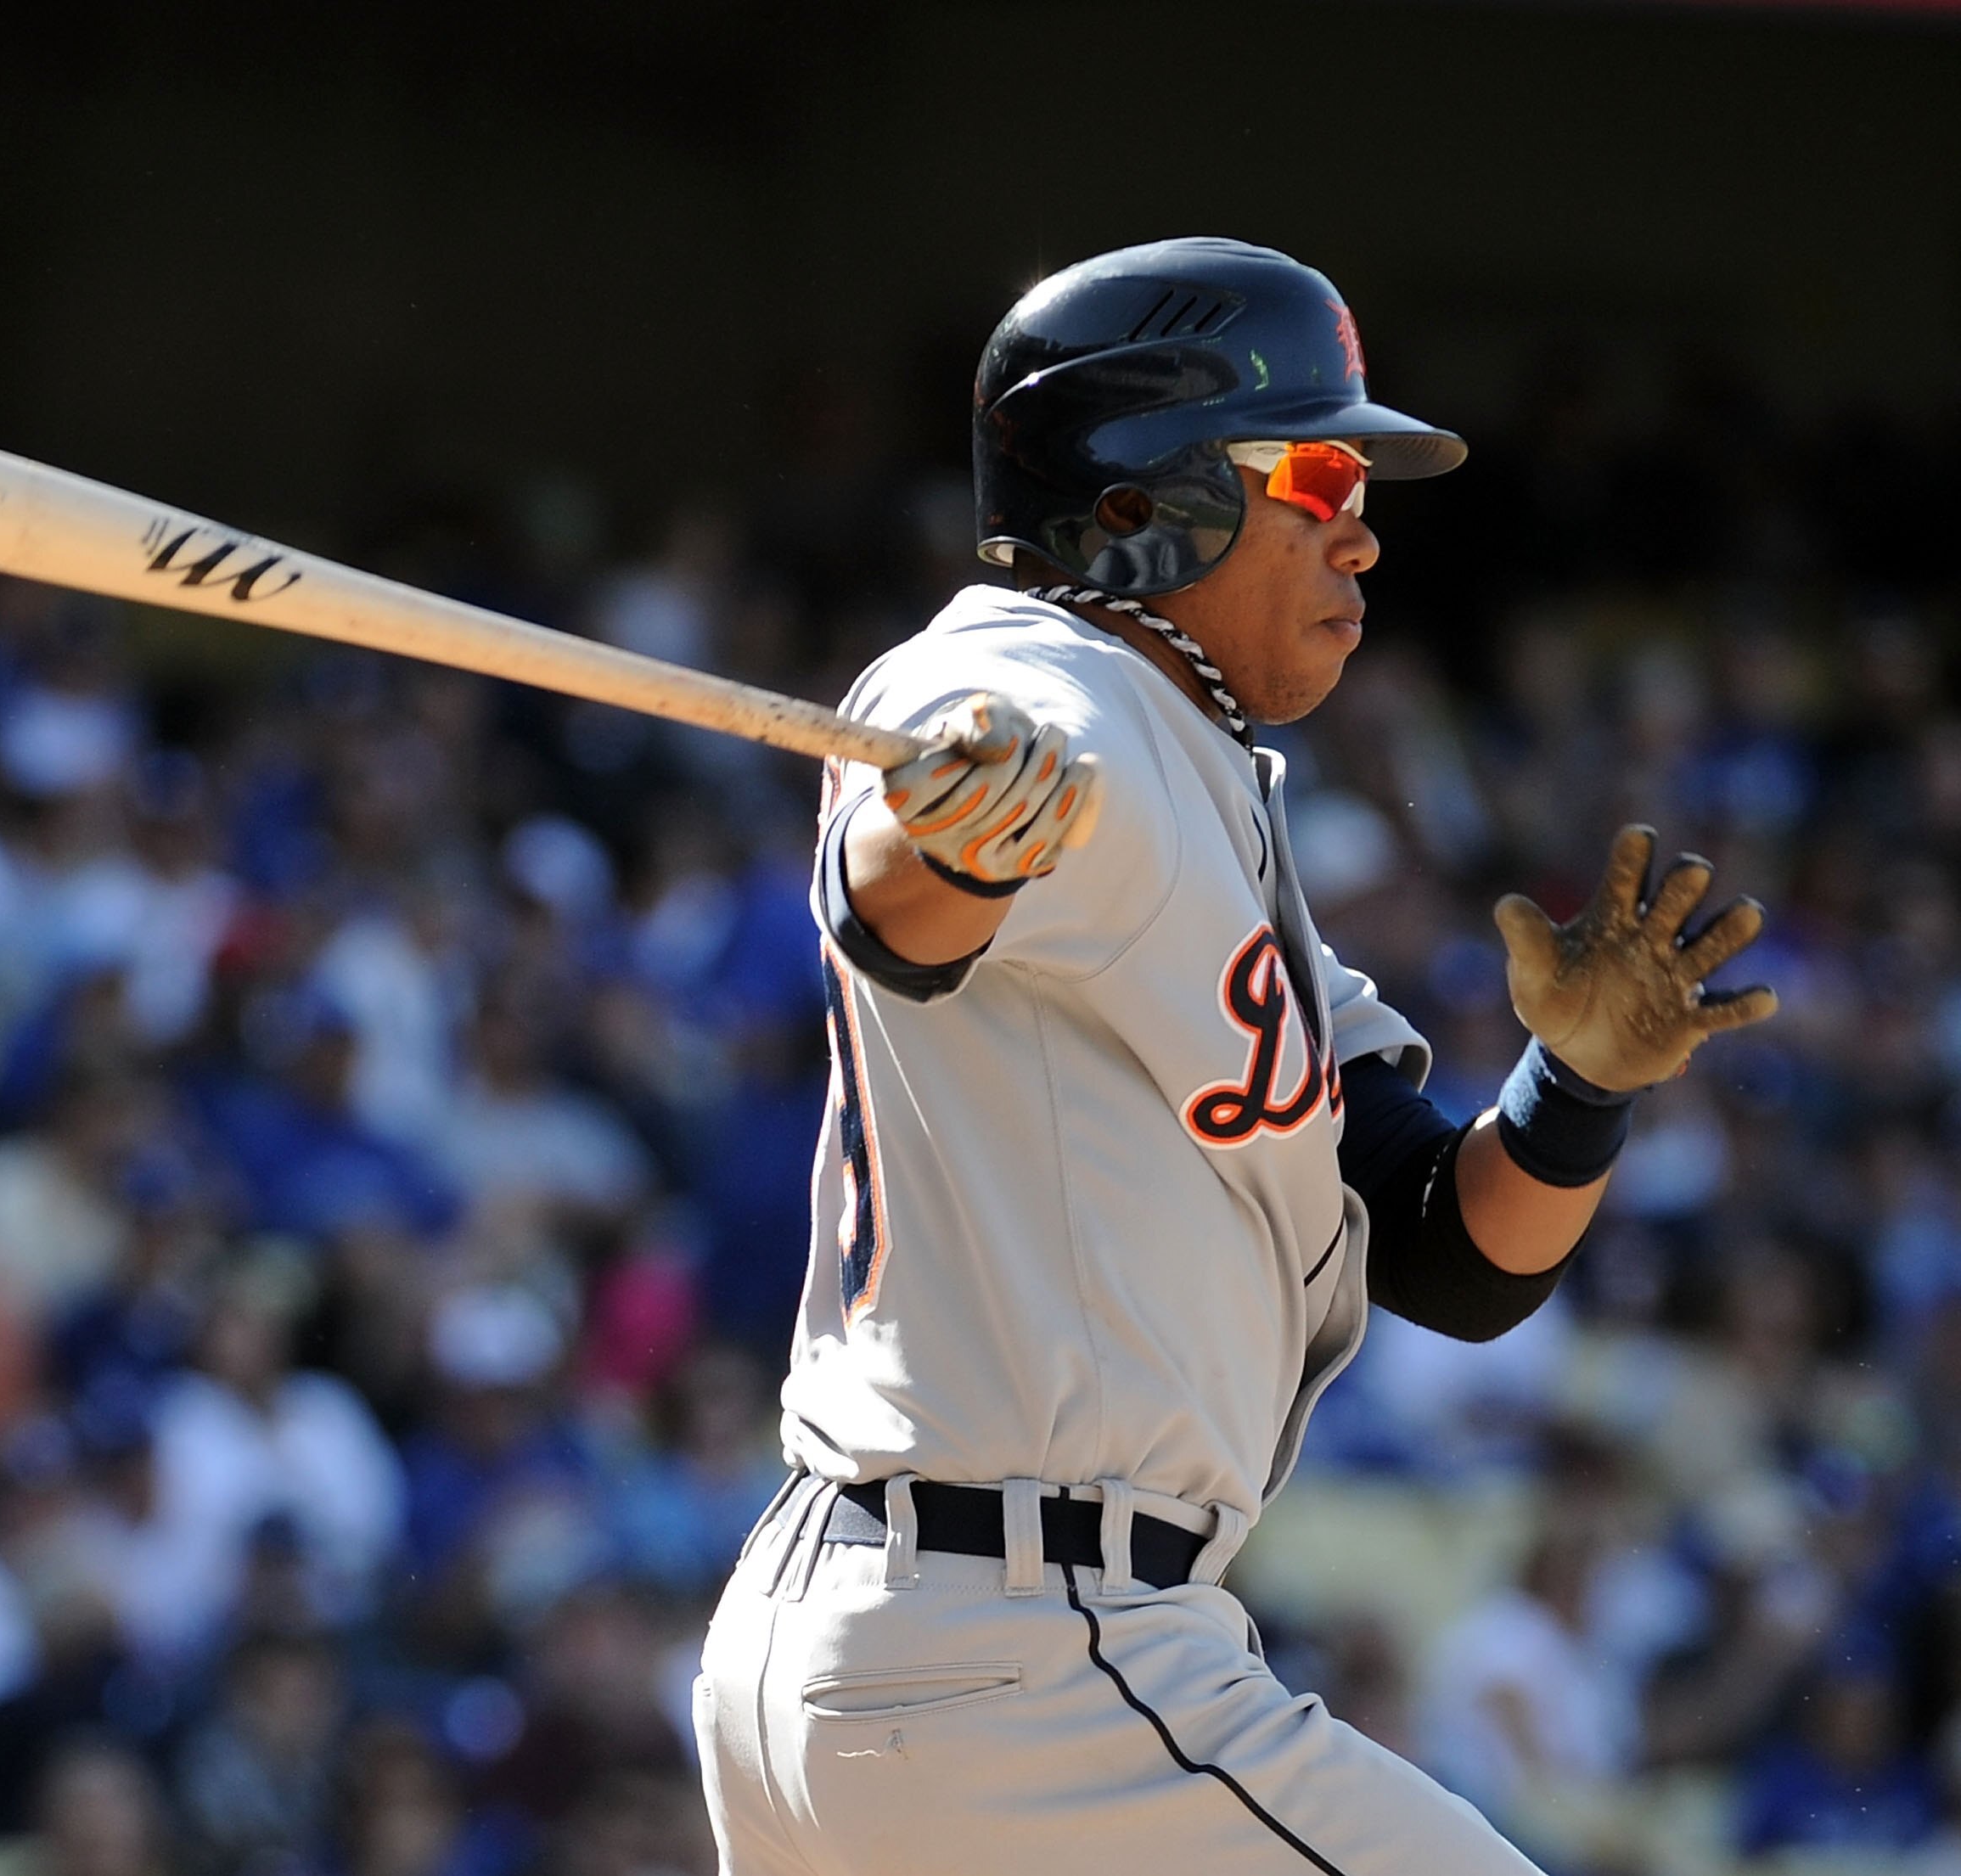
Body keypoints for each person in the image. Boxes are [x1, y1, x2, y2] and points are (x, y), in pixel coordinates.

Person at [694, 239, 1780, 1876]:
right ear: (1146, 495)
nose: (1361, 528)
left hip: (893, 1642)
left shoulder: (1206, 789)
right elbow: (896, 902)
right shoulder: (1023, 679)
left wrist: (1580, 1090)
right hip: (1025, 1649)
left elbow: (1450, 1250)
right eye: (1318, 470)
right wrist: (962, 837)